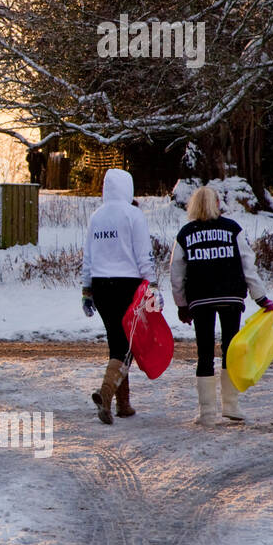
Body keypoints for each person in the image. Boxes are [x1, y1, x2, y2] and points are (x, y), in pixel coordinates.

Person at [170, 186, 273, 425]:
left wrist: (182, 305)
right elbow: (248, 265)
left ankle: (207, 412)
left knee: (205, 352)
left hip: (200, 300)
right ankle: (231, 405)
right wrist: (261, 298)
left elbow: (176, 273)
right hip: (231, 298)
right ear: (218, 203)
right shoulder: (232, 229)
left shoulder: (186, 233)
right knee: (232, 349)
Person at [81, 168, 156, 424]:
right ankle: (106, 394)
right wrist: (152, 285)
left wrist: (86, 290)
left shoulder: (96, 217)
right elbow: (143, 254)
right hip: (128, 286)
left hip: (101, 287)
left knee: (118, 343)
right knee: (126, 345)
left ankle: (123, 404)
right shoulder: (133, 214)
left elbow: (88, 257)